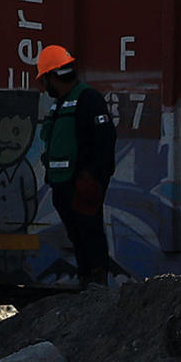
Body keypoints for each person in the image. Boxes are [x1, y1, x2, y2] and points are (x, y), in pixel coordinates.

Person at [35, 44, 117, 285]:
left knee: (90, 236)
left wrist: (94, 178)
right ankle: (86, 285)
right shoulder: (60, 103)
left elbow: (105, 141)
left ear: (52, 76)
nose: (44, 86)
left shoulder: (88, 99)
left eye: (44, 79)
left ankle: (96, 285)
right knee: (79, 239)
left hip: (81, 186)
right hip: (63, 186)